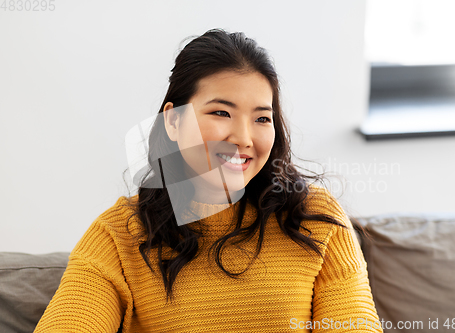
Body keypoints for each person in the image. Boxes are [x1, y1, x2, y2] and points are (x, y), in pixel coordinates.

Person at [35, 29, 383, 333]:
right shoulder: (118, 235)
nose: (244, 138)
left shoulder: (315, 218)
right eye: (221, 113)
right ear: (172, 121)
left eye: (262, 118)